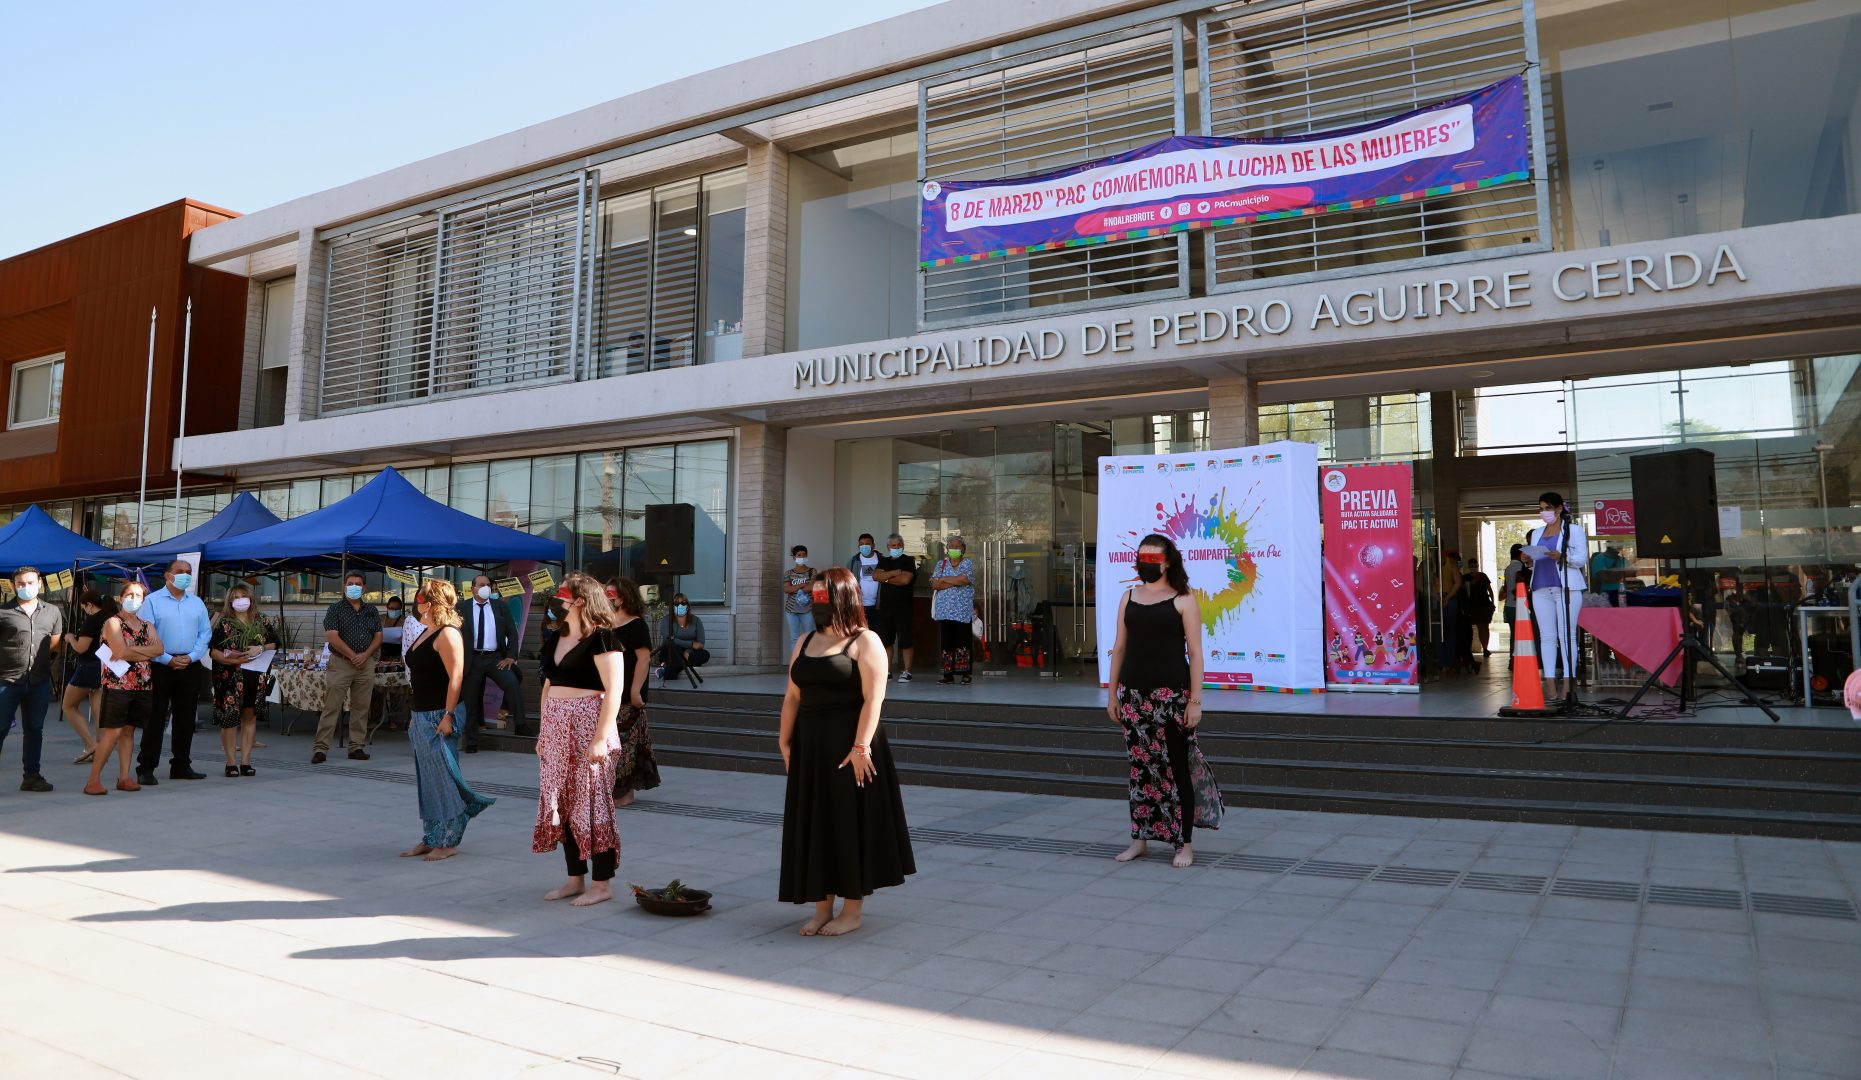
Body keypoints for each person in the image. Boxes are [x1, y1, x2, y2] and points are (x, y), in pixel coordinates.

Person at [779, 567, 914, 936]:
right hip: (811, 746)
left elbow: (875, 698)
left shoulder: (865, 640)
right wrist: (784, 741)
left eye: (822, 595)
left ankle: (852, 910)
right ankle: (822, 907)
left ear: (843, 597)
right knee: (815, 822)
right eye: (813, 595)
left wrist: (861, 747)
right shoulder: (804, 640)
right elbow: (793, 696)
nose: (815, 600)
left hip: (851, 746)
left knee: (849, 822)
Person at [1103, 535, 1207, 869]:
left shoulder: (1184, 599)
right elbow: (1119, 647)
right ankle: (1139, 840)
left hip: (1172, 698)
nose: (1147, 566)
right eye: (1142, 560)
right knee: (1140, 769)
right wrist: (1112, 694)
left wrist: (1195, 700)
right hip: (1133, 696)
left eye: (1153, 559)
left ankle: (1184, 843)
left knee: (1176, 768)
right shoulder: (1128, 597)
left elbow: (1196, 653)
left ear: (1168, 561)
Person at [535, 573, 627, 907]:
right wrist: (543, 731)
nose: (557, 599)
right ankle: (575, 878)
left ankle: (601, 884)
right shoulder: (555, 636)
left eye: (563, 594)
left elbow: (614, 690)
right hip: (557, 724)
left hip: (589, 722)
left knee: (593, 803)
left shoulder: (603, 638)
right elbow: (547, 685)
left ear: (581, 600)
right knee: (562, 802)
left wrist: (601, 737)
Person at [399, 579, 494, 861]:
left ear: (433, 602)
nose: (417, 603)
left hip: (441, 713)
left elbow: (457, 677)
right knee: (427, 779)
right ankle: (431, 837)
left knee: (443, 778)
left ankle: (450, 839)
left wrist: (449, 715)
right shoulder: (426, 631)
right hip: (421, 712)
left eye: (421, 598)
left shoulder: (448, 634)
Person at [136, 560, 213, 786]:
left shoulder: (197, 603)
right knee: (155, 717)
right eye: (180, 572)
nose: (185, 576)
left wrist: (191, 656)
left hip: (190, 665)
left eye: (188, 573)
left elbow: (204, 634)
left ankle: (181, 765)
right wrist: (168, 659)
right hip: (161, 665)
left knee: (186, 718)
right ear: (168, 575)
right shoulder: (151, 602)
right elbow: (146, 635)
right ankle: (146, 767)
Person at [86, 581, 163, 795]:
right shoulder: (113, 623)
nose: (134, 599)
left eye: (138, 596)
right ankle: (93, 780)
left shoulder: (147, 625)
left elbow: (160, 649)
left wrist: (132, 650)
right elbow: (120, 652)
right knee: (113, 733)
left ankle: (124, 777)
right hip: (117, 684)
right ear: (121, 598)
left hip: (142, 685)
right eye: (129, 595)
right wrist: (144, 651)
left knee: (129, 732)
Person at [0, 566, 64, 793]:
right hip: (6, 681)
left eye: (30, 582)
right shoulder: (3, 612)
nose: (25, 587)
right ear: (14, 585)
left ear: (40, 584)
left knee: (35, 730)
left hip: (38, 681)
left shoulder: (53, 612)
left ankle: (32, 776)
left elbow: (54, 643)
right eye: (20, 583)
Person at [1522, 491, 1588, 699]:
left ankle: (1568, 682)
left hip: (1566, 587)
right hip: (1541, 587)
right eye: (1541, 509)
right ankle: (1550, 682)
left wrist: (1563, 557)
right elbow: (1536, 563)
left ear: (1559, 509)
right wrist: (1528, 560)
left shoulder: (1573, 530)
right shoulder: (1536, 533)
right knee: (1547, 636)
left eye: (1548, 508)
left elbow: (1581, 559)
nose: (1544, 513)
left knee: (1567, 636)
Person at [209, 583, 279, 778]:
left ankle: (246, 761)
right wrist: (232, 659)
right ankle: (231, 762)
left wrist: (261, 648)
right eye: (236, 596)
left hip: (255, 676)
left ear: (251, 598)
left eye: (244, 595)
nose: (241, 600)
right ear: (230, 601)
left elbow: (276, 642)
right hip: (229, 677)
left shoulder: (261, 621)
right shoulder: (224, 623)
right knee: (229, 720)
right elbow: (213, 651)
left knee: (250, 717)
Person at [315, 571, 380, 764]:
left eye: (357, 583)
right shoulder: (335, 609)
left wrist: (365, 656)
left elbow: (378, 636)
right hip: (341, 663)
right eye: (350, 583)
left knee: (361, 707)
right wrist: (353, 656)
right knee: (332, 706)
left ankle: (356, 746)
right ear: (344, 586)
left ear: (364, 588)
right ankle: (320, 748)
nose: (353, 586)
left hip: (365, 664)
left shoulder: (372, 610)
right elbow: (332, 636)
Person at [458, 574, 525, 751]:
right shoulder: (461, 607)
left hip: (495, 658)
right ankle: (471, 741)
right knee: (471, 700)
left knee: (511, 682)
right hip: (472, 659)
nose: (486, 587)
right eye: (482, 585)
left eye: (488, 585)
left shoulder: (500, 606)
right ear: (473, 588)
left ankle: (520, 725)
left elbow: (512, 632)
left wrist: (511, 655)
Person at [607, 577, 657, 806]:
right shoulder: (605, 623)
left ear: (624, 596)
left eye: (612, 594)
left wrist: (636, 690)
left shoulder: (637, 625)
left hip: (627, 693)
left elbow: (643, 659)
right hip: (607, 691)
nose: (609, 598)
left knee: (627, 745)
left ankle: (625, 793)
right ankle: (610, 790)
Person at [62, 590, 112, 765]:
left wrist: (70, 639)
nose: (84, 610)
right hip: (105, 666)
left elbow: (81, 648)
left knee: (68, 706)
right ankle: (100, 750)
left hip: (88, 666)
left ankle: (90, 745)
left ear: (89, 605)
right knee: (98, 712)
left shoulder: (92, 620)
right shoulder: (110, 617)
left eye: (84, 607)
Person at [929, 537, 976, 684]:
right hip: (944, 611)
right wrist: (954, 580)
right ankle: (948, 674)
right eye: (952, 546)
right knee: (947, 642)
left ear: (963, 549)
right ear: (947, 549)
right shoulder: (941, 564)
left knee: (963, 642)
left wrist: (944, 579)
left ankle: (965, 674)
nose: (954, 548)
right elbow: (935, 585)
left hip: (962, 611)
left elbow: (965, 580)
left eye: (957, 546)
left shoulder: (967, 563)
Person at [873, 534, 917, 681]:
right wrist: (892, 574)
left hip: (903, 608)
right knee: (886, 641)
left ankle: (907, 671)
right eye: (893, 546)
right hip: (885, 608)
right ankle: (887, 671)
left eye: (899, 545)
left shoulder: (908, 561)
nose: (896, 548)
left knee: (905, 641)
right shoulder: (884, 561)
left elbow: (905, 579)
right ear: (888, 547)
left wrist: (885, 578)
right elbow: (875, 576)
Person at [657, 594, 708, 686]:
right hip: (670, 650)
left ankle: (666, 667)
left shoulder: (696, 621)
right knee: (675, 649)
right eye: (676, 603)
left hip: (689, 653)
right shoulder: (666, 620)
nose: (680, 606)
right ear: (672, 606)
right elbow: (669, 639)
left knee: (705, 654)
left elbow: (700, 643)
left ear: (688, 606)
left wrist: (688, 651)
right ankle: (672, 674)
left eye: (683, 603)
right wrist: (691, 645)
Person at [781, 545, 816, 656]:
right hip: (791, 610)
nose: (802, 557)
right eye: (799, 555)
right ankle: (795, 663)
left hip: (808, 609)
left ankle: (808, 663)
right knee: (794, 638)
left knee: (808, 637)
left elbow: (810, 588)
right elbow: (786, 589)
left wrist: (795, 587)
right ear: (794, 557)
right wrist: (802, 584)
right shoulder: (788, 573)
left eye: (804, 555)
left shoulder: (812, 571)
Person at [1462, 557, 1495, 660]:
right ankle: (1484, 648)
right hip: (1474, 606)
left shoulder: (1483, 576)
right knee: (1480, 626)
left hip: (1485, 605)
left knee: (1486, 626)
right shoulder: (1466, 577)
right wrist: (1472, 584)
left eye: (1475, 566)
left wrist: (1493, 603)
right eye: (1472, 567)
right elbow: (1465, 592)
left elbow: (1490, 590)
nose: (1474, 568)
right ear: (1469, 567)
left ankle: (1486, 647)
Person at [847, 532, 881, 628]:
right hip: (859, 604)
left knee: (876, 633)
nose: (864, 546)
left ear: (873, 545)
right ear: (858, 546)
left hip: (877, 605)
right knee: (859, 632)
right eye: (861, 544)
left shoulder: (881, 560)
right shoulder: (854, 561)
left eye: (867, 544)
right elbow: (847, 581)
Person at [1501, 543, 1525, 653]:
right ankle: (1518, 657)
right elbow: (1519, 584)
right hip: (1517, 605)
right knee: (1521, 634)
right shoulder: (1519, 567)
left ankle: (1512, 658)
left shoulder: (1508, 568)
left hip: (1509, 605)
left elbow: (1506, 586)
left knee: (1513, 633)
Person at [379, 596, 406, 661]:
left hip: (399, 656)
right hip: (381, 655)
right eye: (391, 608)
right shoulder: (380, 619)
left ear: (401, 608)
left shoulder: (405, 621)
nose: (394, 610)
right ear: (387, 607)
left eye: (397, 608)